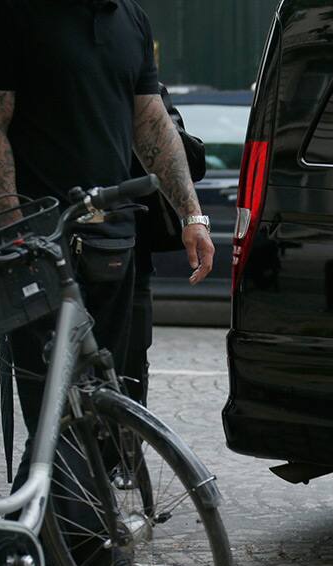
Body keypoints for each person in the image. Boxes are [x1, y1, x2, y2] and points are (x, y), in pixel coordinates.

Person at [0, 0, 214, 566]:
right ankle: (91, 564)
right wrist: (15, 231)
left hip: (115, 240)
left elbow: (150, 123)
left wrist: (192, 214)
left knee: (99, 407)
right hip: (41, 244)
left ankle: (32, 556)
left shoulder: (131, 21)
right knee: (51, 406)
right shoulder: (20, 16)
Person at [125, 83, 207, 406]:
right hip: (65, 246)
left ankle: (126, 454)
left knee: (130, 377)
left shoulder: (144, 87)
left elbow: (194, 163)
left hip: (132, 253)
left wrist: (156, 122)